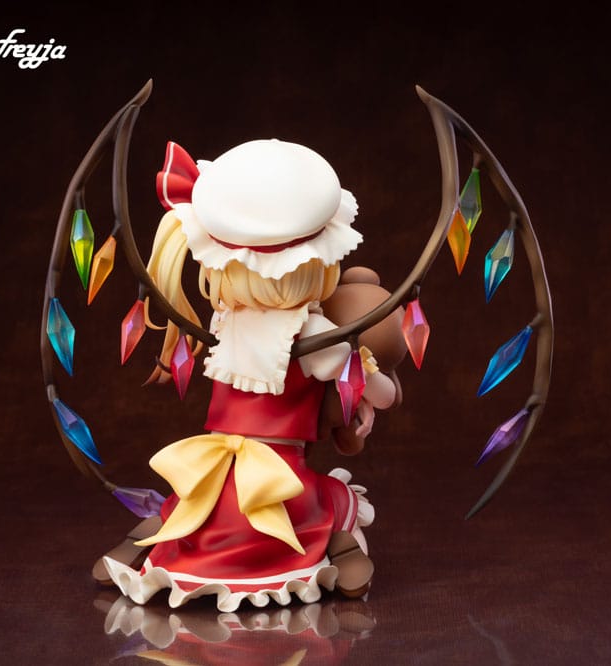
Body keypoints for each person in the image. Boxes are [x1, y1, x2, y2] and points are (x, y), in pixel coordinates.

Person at [101, 139, 396, 612]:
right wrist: (373, 377)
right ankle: (339, 547)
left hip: (215, 463)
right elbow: (380, 395)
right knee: (326, 501)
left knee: (194, 507)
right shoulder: (315, 334)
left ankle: (149, 536)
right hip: (277, 471)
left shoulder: (225, 319)